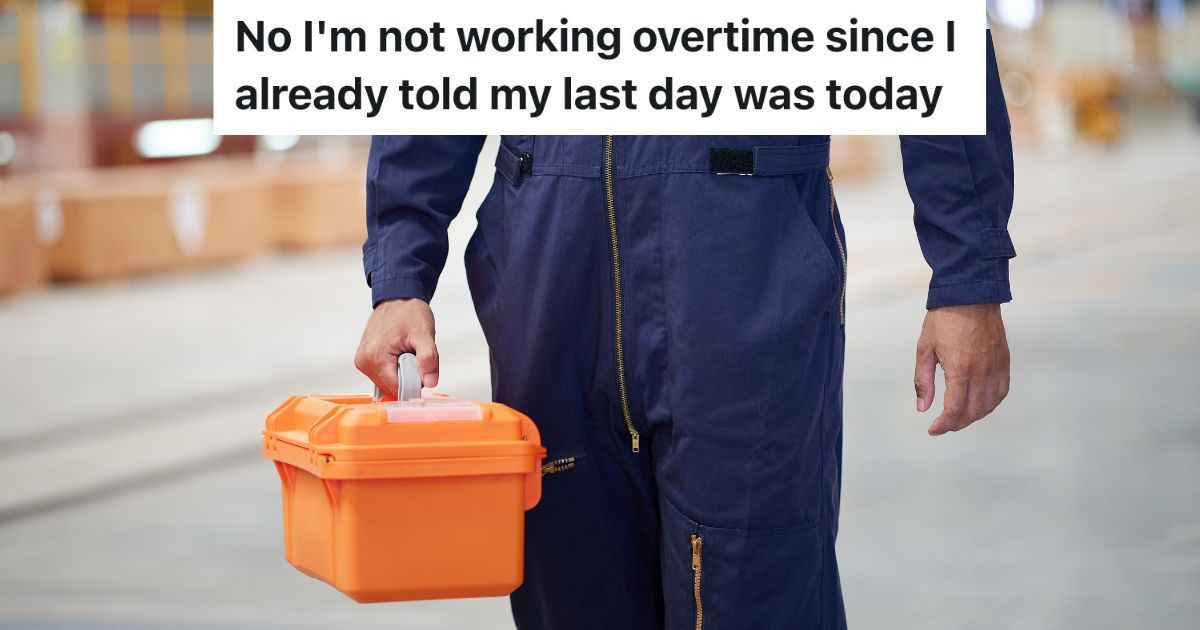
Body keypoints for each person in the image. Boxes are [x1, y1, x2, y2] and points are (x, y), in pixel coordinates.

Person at [355, 30, 1014, 630]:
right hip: (550, 276)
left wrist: (968, 275)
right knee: (569, 586)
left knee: (754, 592)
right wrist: (400, 275)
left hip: (743, 267)